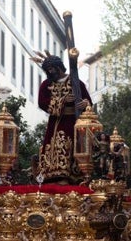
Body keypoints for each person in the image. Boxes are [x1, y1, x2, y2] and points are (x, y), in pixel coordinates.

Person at [31, 51, 92, 185]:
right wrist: (62, 101)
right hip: (56, 123)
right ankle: (52, 175)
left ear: (59, 67)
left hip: (74, 122)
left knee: (73, 148)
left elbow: (88, 101)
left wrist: (85, 104)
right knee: (55, 146)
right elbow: (42, 102)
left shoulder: (75, 82)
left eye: (52, 68)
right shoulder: (46, 84)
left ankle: (75, 176)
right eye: (48, 70)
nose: (50, 72)